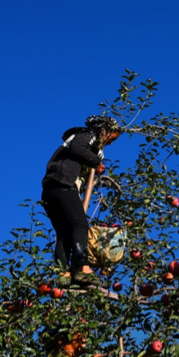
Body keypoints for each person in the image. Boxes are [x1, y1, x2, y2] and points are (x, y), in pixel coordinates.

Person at [41, 115, 120, 288]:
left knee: (65, 231)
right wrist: (95, 161)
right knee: (79, 225)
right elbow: (78, 148)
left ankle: (63, 272)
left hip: (50, 189)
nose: (110, 142)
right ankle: (83, 268)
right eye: (110, 137)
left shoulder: (79, 143)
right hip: (62, 184)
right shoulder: (86, 135)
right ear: (102, 130)